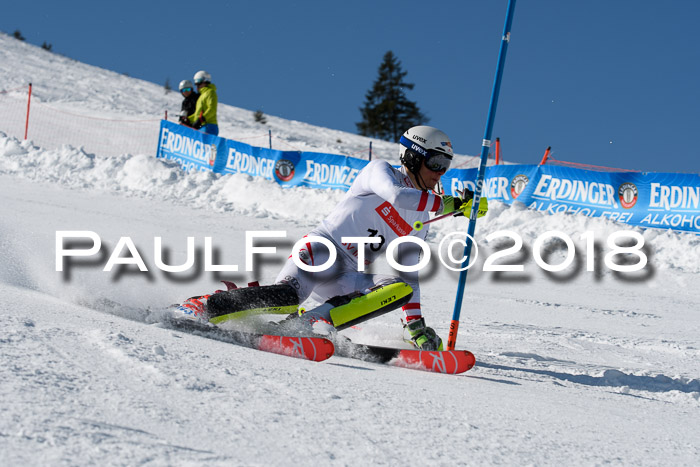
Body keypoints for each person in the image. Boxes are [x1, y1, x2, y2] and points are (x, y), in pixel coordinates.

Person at [201, 125, 488, 351]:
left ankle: (304, 325)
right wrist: (448, 205)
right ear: (413, 156)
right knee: (288, 297)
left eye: (446, 165)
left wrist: (415, 325)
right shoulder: (379, 171)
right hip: (320, 252)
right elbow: (398, 195)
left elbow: (409, 272)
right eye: (436, 162)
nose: (440, 172)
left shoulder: (423, 218)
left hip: (347, 275)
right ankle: (205, 306)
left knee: (400, 289)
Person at [188, 70, 219, 135]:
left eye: (199, 82)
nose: (197, 85)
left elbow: (211, 109)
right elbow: (198, 114)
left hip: (209, 126)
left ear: (205, 81)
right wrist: (188, 119)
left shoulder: (210, 92)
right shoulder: (201, 96)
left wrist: (201, 119)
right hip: (202, 126)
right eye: (196, 83)